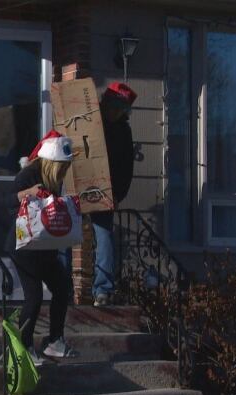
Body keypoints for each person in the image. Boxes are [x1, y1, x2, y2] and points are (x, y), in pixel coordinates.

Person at [10, 130, 78, 364]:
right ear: (51, 163)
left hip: (45, 246)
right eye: (62, 167)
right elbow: (9, 200)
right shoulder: (28, 175)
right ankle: (24, 346)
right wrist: (28, 193)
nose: (65, 173)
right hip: (24, 246)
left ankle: (54, 341)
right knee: (34, 296)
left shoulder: (53, 179)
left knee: (62, 288)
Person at [91, 82, 137, 306]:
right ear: (106, 102)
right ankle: (61, 286)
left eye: (122, 109)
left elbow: (126, 167)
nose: (116, 112)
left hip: (105, 189)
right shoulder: (90, 120)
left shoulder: (122, 131)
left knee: (104, 235)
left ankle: (102, 290)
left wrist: (118, 194)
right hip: (78, 183)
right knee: (65, 234)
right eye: (114, 106)